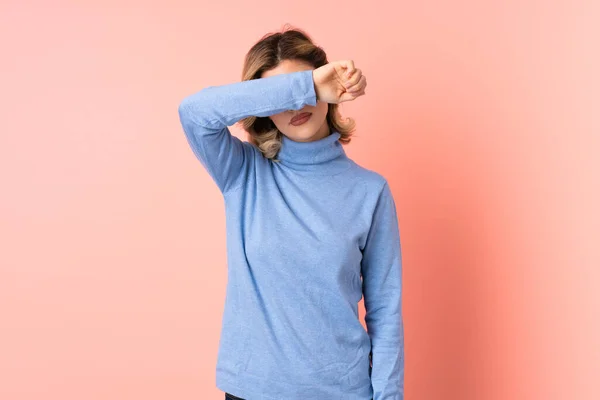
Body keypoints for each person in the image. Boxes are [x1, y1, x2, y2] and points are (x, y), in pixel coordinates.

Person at [177, 26, 404, 400]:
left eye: (307, 91)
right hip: (252, 388)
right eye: (283, 96)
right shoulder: (243, 173)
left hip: (342, 392)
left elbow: (385, 311)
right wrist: (307, 85)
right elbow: (194, 112)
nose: (297, 106)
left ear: (331, 94)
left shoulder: (370, 191)